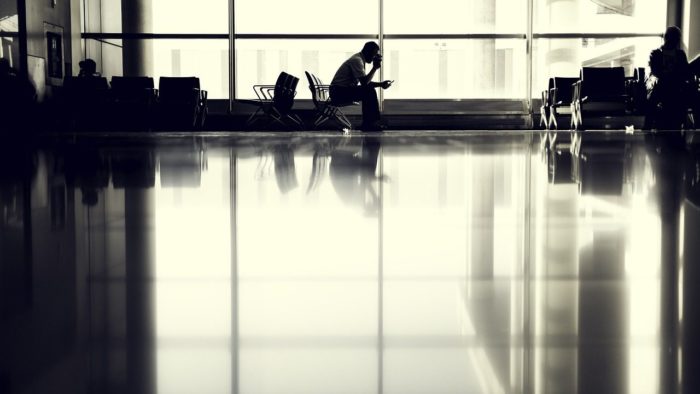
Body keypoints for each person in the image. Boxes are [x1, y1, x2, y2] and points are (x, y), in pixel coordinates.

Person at [330, 42, 393, 131]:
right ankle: (370, 124)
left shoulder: (359, 59)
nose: (374, 57)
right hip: (338, 92)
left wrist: (381, 84)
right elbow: (364, 83)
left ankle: (368, 123)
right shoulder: (357, 60)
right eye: (374, 54)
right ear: (367, 52)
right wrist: (374, 68)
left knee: (368, 91)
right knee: (369, 91)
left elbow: (365, 83)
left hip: (339, 91)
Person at [645, 26, 691, 130]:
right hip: (669, 85)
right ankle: (682, 125)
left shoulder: (656, 54)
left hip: (668, 85)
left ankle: (647, 126)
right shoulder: (678, 54)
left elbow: (656, 71)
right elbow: (684, 71)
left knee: (652, 102)